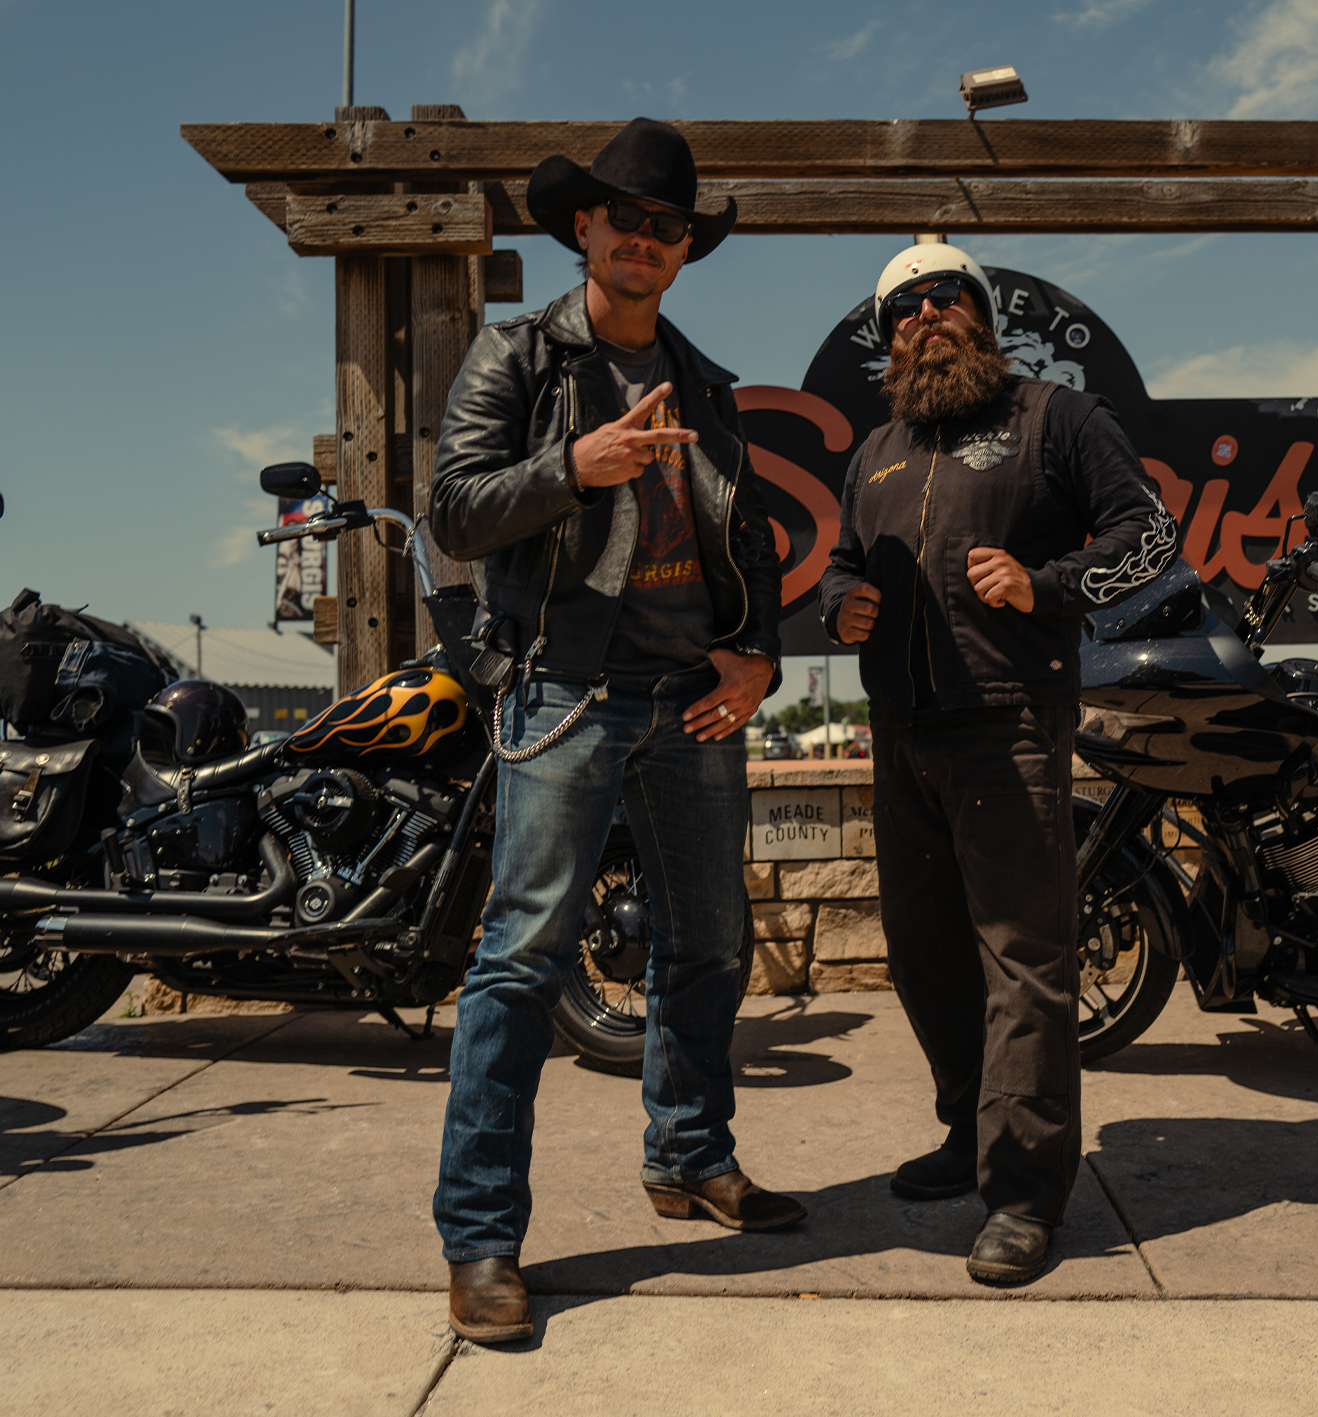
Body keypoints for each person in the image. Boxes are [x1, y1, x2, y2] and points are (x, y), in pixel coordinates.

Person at [427, 118, 801, 1345]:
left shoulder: (702, 379)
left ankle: (691, 1158)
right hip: (568, 691)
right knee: (521, 963)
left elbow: (745, 539)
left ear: (686, 247)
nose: (644, 240)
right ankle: (482, 1238)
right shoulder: (516, 355)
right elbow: (453, 514)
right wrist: (571, 467)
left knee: (709, 948)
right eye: (625, 220)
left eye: (668, 227)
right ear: (581, 228)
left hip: (694, 696)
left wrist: (759, 658)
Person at [818, 244, 1179, 1285]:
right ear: (887, 337)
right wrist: (839, 604)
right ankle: (967, 1136)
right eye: (905, 308)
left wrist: (1045, 583)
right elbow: (843, 560)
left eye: (947, 298)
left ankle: (1023, 1192)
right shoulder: (877, 447)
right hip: (901, 733)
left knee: (1025, 964)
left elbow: (1147, 536)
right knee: (925, 953)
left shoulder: (1055, 417)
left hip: (1010, 725)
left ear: (981, 315)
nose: (927, 315)